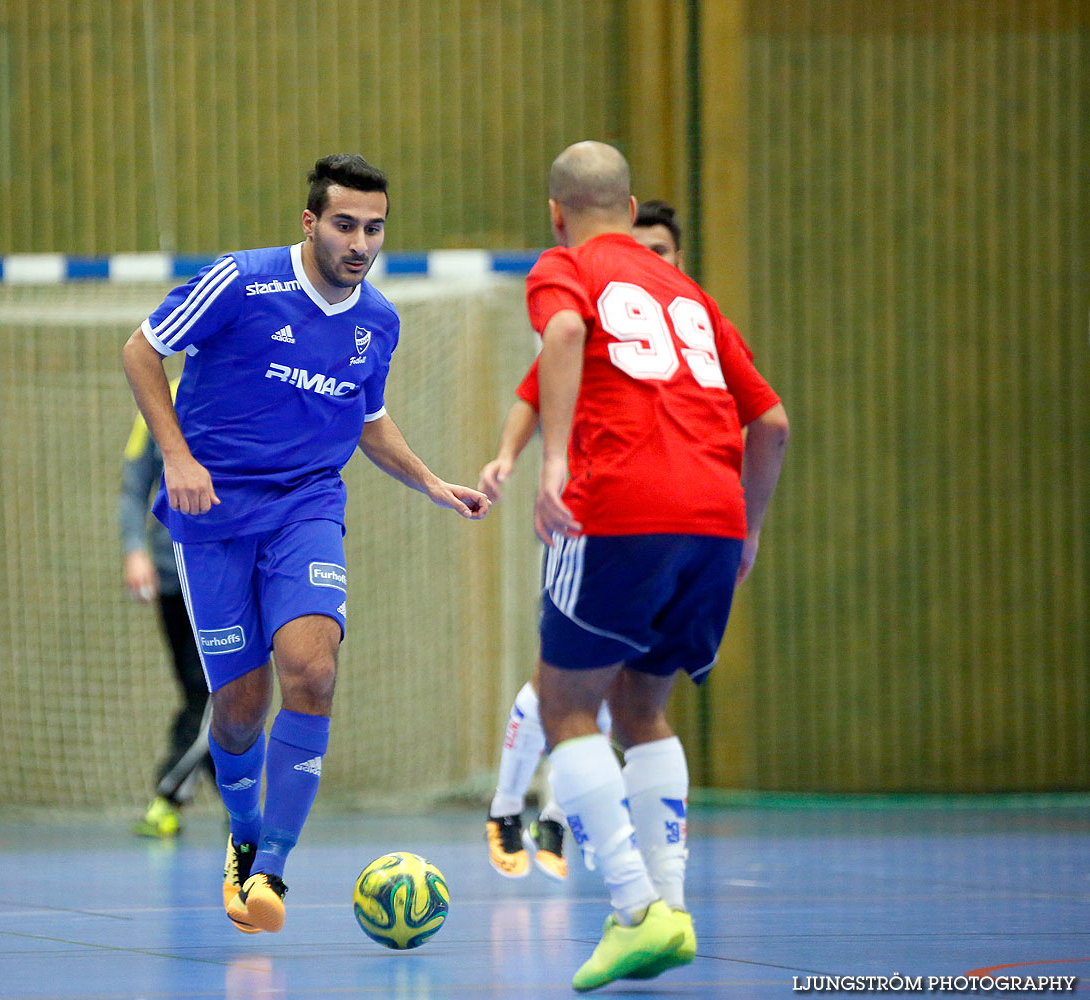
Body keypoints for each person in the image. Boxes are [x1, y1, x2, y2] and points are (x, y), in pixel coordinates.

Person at [121, 154, 490, 935]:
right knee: (240, 708)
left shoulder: (378, 322)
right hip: (214, 511)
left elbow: (366, 419)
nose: (361, 242)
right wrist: (179, 458)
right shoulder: (242, 282)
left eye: (375, 227)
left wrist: (428, 479)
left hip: (307, 507)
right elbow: (140, 350)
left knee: (312, 673)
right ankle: (243, 833)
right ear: (311, 222)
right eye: (346, 224)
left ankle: (273, 871)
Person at [527, 141, 789, 990]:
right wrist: (746, 529)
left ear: (557, 213)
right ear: (634, 207)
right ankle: (671, 908)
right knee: (644, 708)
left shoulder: (568, 267)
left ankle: (636, 907)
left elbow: (564, 329)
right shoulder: (691, 293)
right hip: (713, 518)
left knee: (566, 706)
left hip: (622, 508)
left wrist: (552, 464)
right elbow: (773, 422)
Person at [480, 200, 686, 882]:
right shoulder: (592, 306)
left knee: (632, 693)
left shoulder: (692, 324)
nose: (651, 260)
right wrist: (515, 458)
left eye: (664, 251)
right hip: (595, 512)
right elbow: (539, 387)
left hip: (677, 522)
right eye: (642, 246)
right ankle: (514, 806)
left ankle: (566, 819)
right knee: (568, 677)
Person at [119, 381, 217, 839]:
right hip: (171, 571)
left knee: (216, 691)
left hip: (225, 573)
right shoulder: (161, 398)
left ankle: (168, 795)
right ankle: (239, 803)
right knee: (202, 692)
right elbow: (134, 484)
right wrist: (134, 549)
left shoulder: (253, 383)